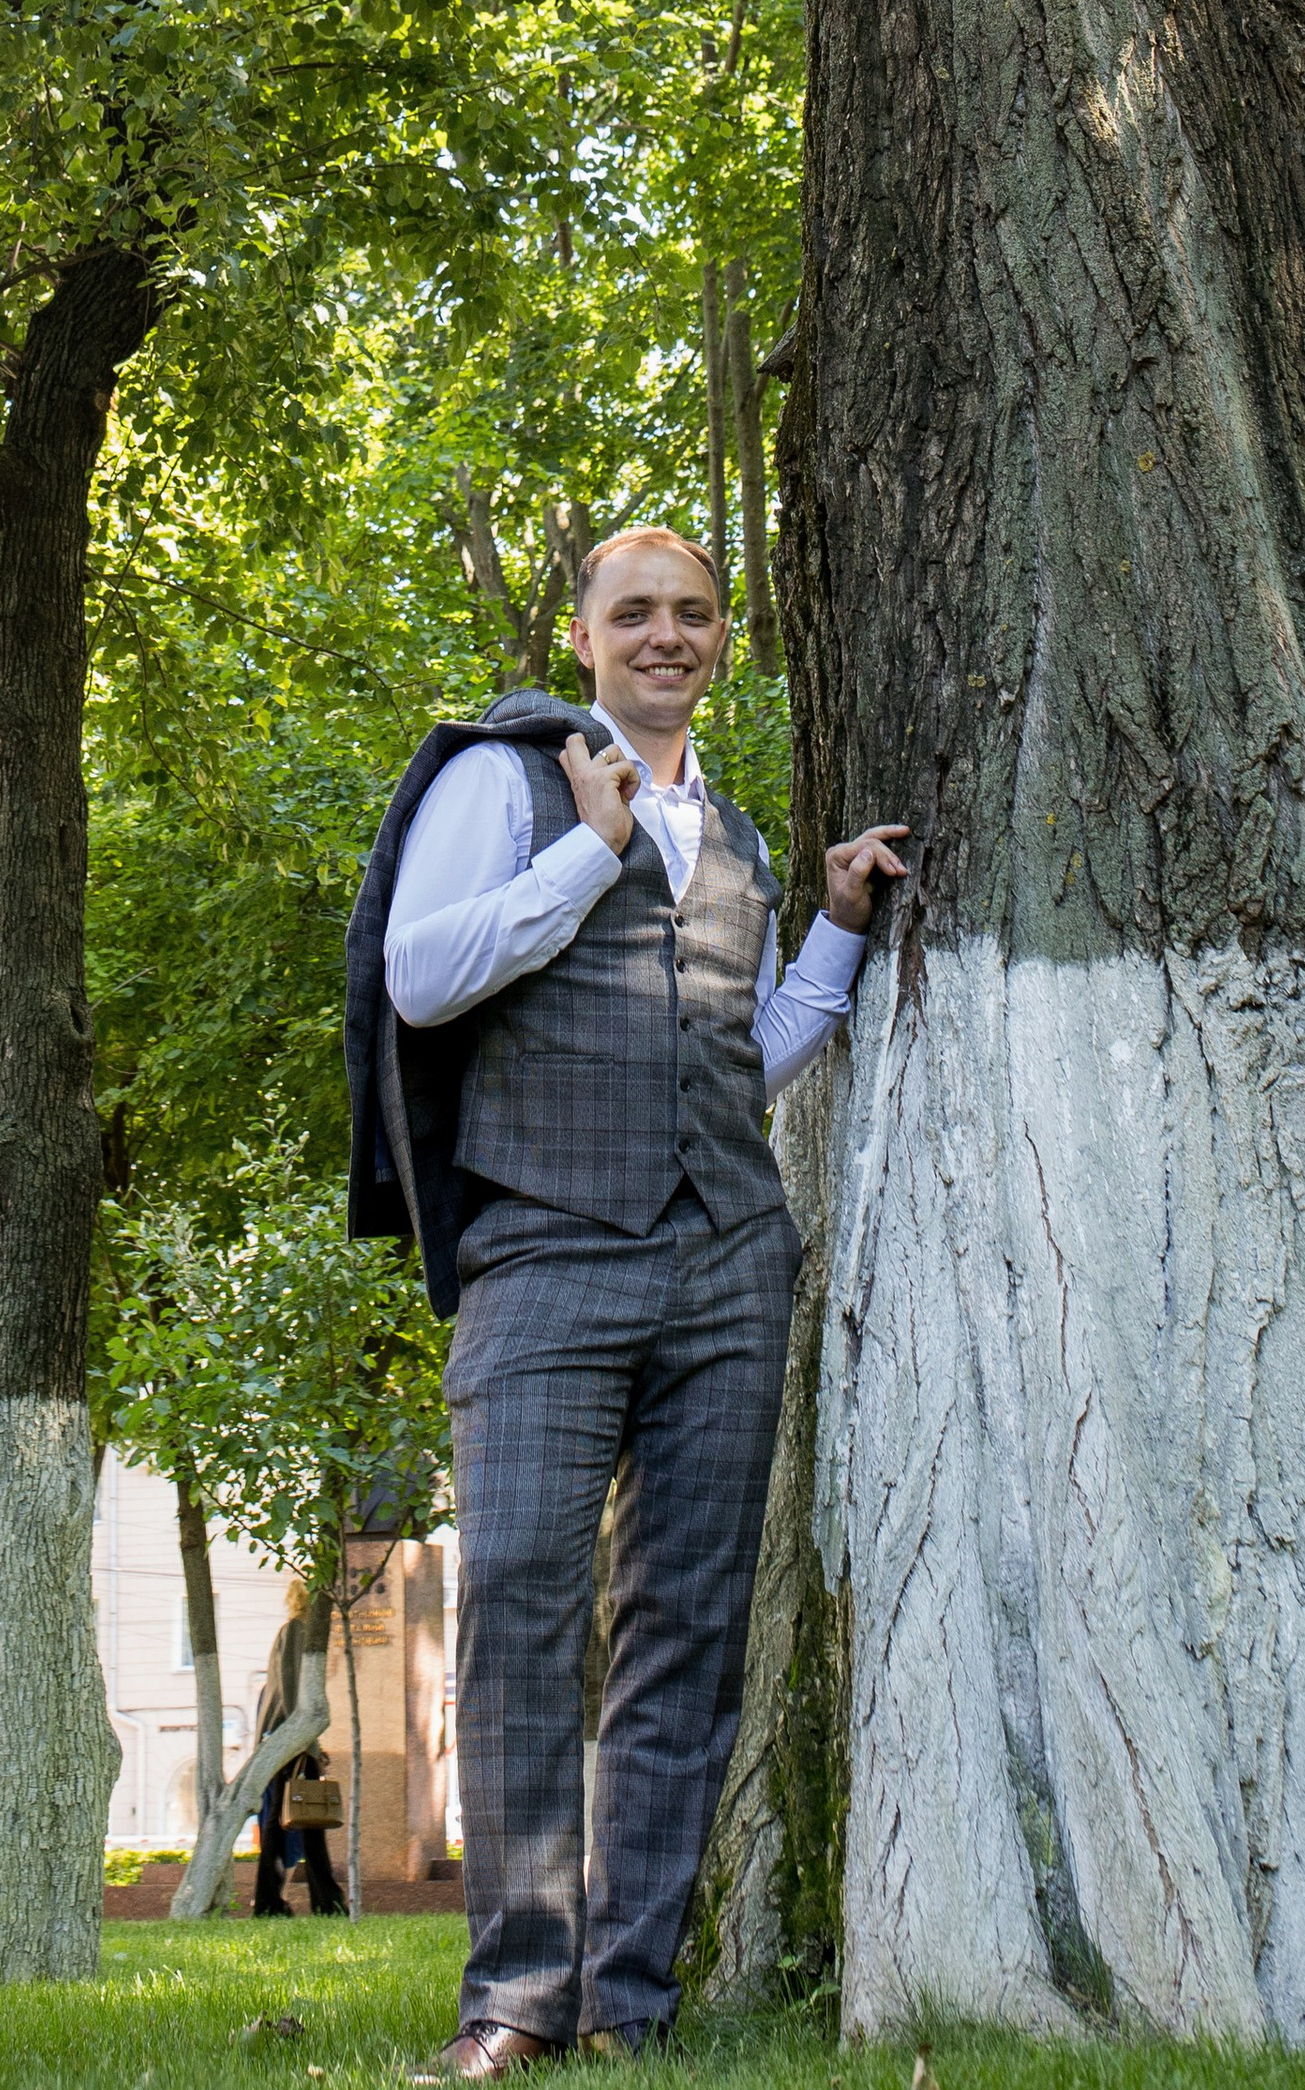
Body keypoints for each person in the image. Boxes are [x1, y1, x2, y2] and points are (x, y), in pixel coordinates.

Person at [343, 531, 906, 2070]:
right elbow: (421, 973)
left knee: (687, 1629)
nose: (668, 637)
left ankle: (628, 2006)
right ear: (585, 636)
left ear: (723, 638)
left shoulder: (733, 831)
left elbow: (743, 1052)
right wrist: (585, 852)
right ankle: (516, 1999)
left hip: (729, 1258)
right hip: (543, 1255)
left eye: (696, 614)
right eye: (636, 614)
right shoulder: (504, 776)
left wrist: (841, 931)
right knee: (521, 1604)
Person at [250, 1603, 347, 1917]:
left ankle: (281, 1900)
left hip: (289, 1740)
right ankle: (314, 1900)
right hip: (290, 1740)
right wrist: (306, 1742)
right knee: (298, 1820)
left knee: (296, 1820)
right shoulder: (296, 1629)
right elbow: (293, 1692)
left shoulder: (295, 1630)